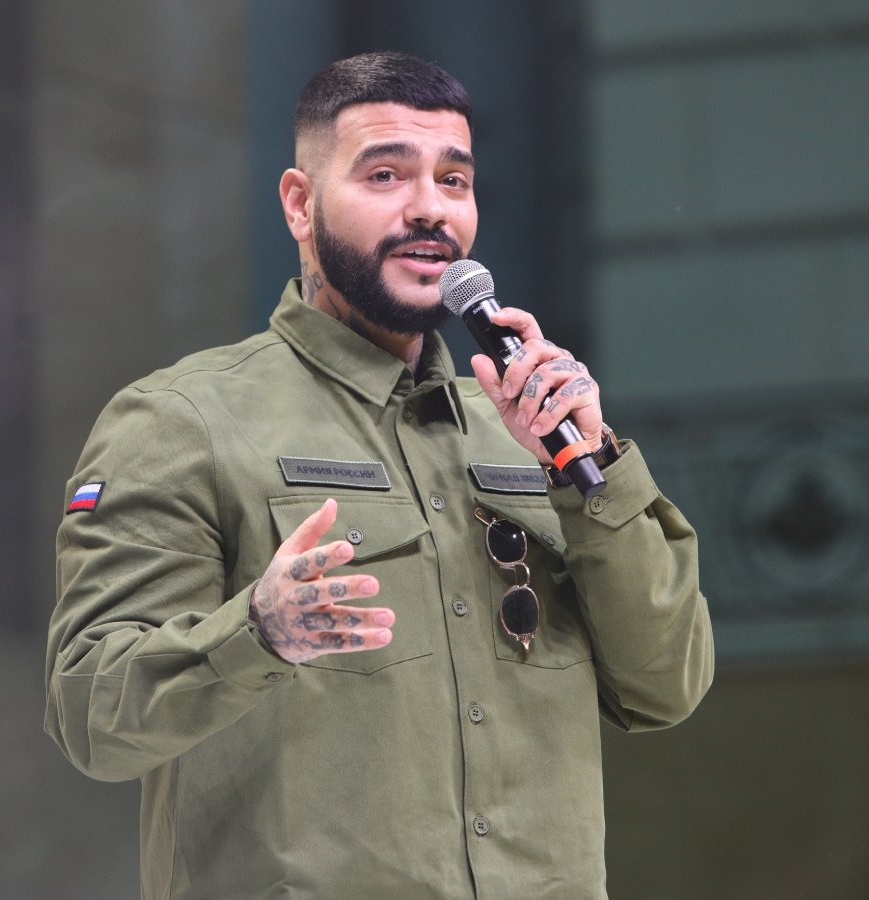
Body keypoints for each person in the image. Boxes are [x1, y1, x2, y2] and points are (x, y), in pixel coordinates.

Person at [45, 50, 713, 900]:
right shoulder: (182, 421)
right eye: (386, 174)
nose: (429, 207)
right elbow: (92, 717)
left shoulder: (530, 438)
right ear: (300, 203)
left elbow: (665, 687)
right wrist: (258, 633)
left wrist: (597, 470)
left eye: (453, 180)